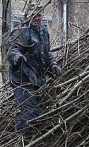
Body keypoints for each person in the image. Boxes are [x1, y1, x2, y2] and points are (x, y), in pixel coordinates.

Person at [7, 3, 61, 139]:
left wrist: (53, 65)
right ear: (28, 16)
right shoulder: (21, 31)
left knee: (39, 112)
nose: (37, 18)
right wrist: (17, 57)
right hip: (23, 79)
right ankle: (25, 141)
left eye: (39, 15)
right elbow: (12, 49)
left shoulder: (43, 31)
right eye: (34, 15)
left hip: (37, 79)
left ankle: (32, 138)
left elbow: (46, 53)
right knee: (29, 112)